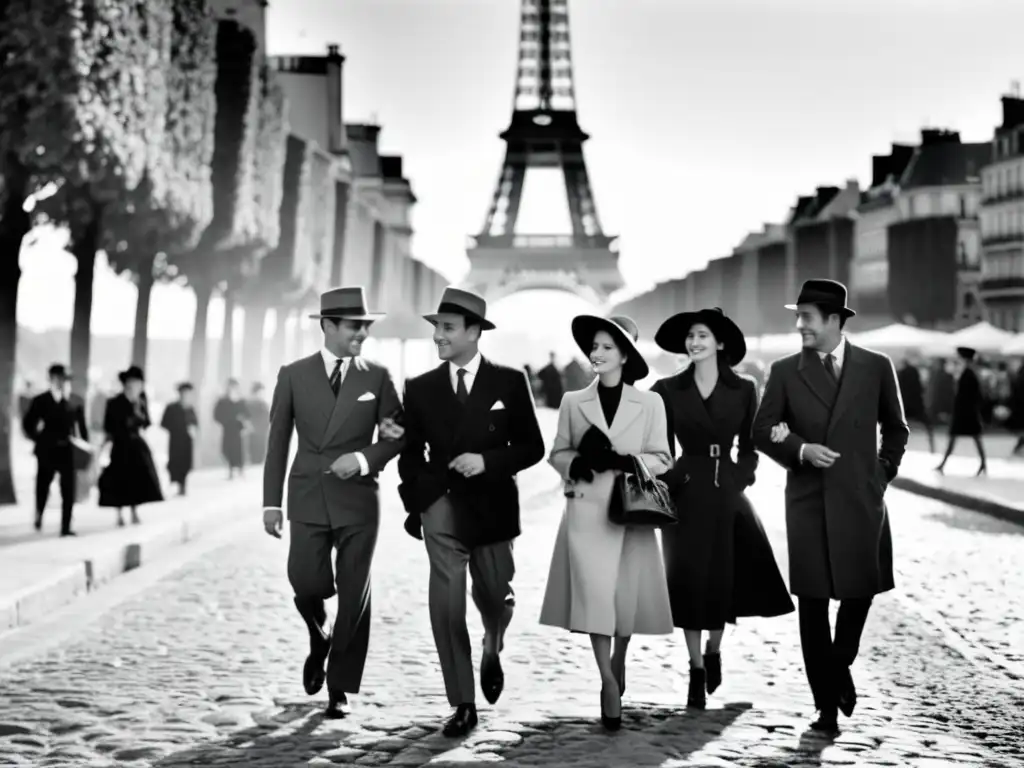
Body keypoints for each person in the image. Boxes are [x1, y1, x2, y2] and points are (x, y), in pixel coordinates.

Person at [753, 279, 908, 734]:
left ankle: (838, 667)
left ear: (835, 320)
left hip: (861, 500)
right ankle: (824, 705)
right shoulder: (784, 371)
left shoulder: (877, 366)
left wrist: (880, 474)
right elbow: (764, 429)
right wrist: (801, 450)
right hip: (808, 501)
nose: (800, 324)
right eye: (798, 316)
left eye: (808, 317)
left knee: (860, 594)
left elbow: (896, 430)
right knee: (814, 603)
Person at [397, 287, 545, 738]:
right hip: (441, 506)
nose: (438, 336)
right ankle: (462, 701)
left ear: (474, 332)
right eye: (436, 328)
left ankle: (492, 642)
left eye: (447, 328)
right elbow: (409, 452)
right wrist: (420, 499)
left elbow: (533, 447)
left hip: (493, 507)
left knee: (496, 597)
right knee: (445, 605)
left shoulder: (510, 381)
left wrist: (487, 461)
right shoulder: (419, 388)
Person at [262, 287, 405, 719]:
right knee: (305, 583)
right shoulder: (292, 374)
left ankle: (339, 686)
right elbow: (277, 442)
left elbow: (398, 435)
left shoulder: (377, 377)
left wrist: (363, 459)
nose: (362, 333)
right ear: (327, 326)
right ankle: (317, 634)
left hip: (359, 500)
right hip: (306, 493)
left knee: (355, 593)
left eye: (366, 326)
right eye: (353, 326)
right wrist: (271, 504)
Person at [649, 308, 793, 709]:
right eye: (691, 336)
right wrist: (674, 482)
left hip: (727, 493)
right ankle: (695, 668)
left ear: (721, 343)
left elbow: (751, 447)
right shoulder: (666, 388)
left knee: (723, 583)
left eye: (703, 336)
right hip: (685, 495)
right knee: (690, 585)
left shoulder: (745, 389)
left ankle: (714, 649)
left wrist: (739, 479)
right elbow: (660, 450)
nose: (695, 343)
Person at [539, 314, 674, 731]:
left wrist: (626, 461)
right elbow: (556, 453)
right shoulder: (572, 401)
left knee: (624, 600)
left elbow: (664, 458)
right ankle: (608, 680)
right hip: (587, 511)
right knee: (597, 597)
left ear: (625, 356)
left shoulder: (651, 403)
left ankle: (619, 658)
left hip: (631, 511)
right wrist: (577, 461)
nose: (595, 354)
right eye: (593, 347)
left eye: (606, 347)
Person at [21, 363, 89, 536]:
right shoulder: (41, 400)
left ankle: (66, 526)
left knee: (68, 488)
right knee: (43, 485)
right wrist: (38, 438)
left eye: (64, 379)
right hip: (46, 449)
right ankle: (39, 514)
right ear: (50, 379)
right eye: (58, 378)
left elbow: (81, 428)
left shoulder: (74, 401)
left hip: (67, 449)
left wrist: (85, 445)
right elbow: (28, 424)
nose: (61, 382)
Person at [97, 366, 164, 526]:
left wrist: (139, 413)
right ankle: (119, 513)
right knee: (119, 479)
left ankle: (134, 510)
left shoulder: (141, 401)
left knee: (137, 479)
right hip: (120, 445)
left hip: (136, 445)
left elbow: (147, 422)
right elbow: (108, 426)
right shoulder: (114, 402)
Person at [935, 346, 987, 476]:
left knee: (967, 437)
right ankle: (982, 464)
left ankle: (982, 464)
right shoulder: (966, 372)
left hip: (966, 412)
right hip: (965, 412)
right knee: (972, 438)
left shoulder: (969, 373)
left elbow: (973, 395)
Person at [160, 382, 198, 495]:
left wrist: (192, 429)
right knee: (174, 463)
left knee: (185, 463)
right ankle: (174, 482)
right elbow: (164, 423)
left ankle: (183, 485)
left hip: (187, 440)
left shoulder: (190, 408)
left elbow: (196, 423)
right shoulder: (171, 408)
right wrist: (175, 427)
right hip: (175, 440)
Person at [214, 379, 250, 478]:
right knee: (227, 449)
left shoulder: (241, 401)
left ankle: (240, 469)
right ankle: (230, 469)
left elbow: (247, 414)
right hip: (228, 429)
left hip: (239, 429)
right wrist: (225, 420)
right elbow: (217, 415)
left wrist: (243, 419)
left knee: (239, 450)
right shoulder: (222, 401)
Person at [247, 382, 270, 465]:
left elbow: (268, 417)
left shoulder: (264, 403)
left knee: (261, 451)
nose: (262, 394)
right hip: (254, 431)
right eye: (260, 392)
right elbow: (247, 417)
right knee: (254, 453)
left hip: (263, 431)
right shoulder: (250, 404)